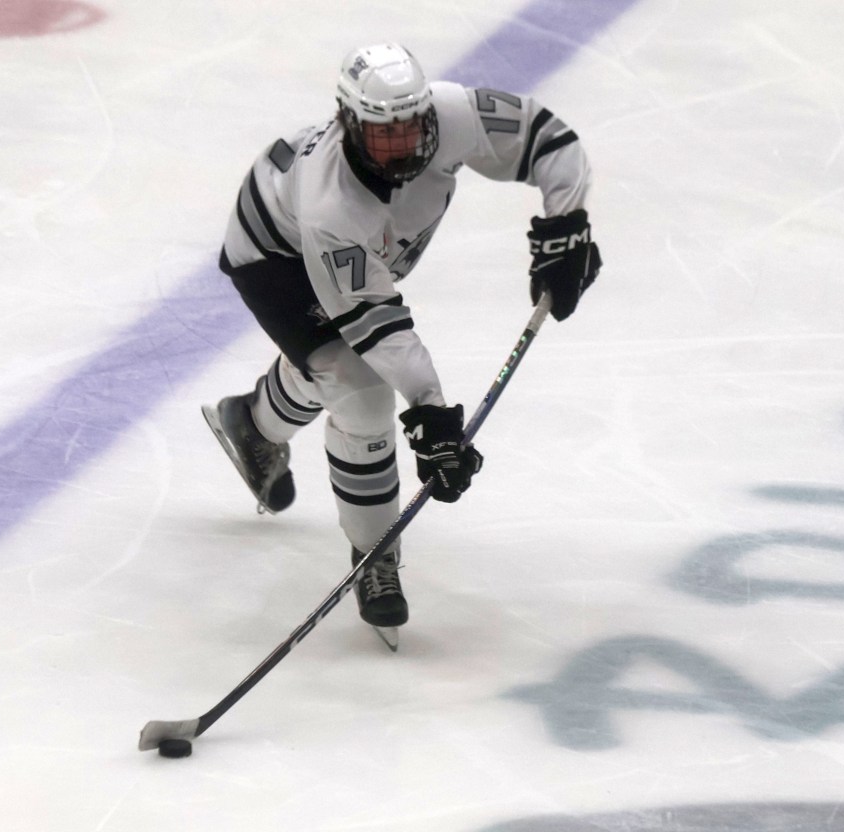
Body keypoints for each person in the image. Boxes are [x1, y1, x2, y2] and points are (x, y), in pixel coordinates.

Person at [206, 42, 601, 633]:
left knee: (331, 366)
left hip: (363, 252)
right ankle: (375, 555)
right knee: (358, 388)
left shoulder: (450, 114)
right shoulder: (329, 206)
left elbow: (549, 139)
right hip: (275, 252)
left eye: (412, 126)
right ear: (348, 122)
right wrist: (432, 414)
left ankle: (253, 423)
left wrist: (565, 224)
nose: (405, 145)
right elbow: (376, 325)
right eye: (384, 133)